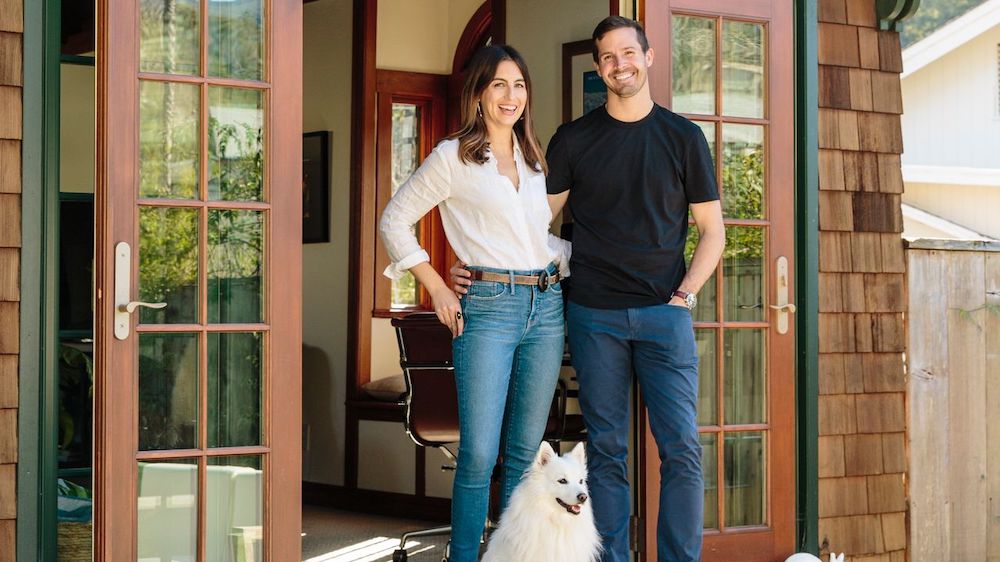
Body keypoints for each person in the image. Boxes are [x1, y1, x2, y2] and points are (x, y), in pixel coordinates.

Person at [452, 16, 725, 562]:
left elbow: (713, 232)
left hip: (664, 314)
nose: (619, 64)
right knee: (606, 453)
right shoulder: (574, 139)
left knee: (682, 451)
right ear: (599, 68)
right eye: (608, 57)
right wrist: (470, 264)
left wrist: (685, 295)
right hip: (593, 314)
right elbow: (528, 226)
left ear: (647, 58)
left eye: (628, 53)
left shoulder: (684, 137)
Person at [379, 44, 569, 562]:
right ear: (479, 95)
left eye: (520, 85)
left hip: (546, 308)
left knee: (525, 454)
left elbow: (536, 239)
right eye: (500, 86)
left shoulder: (535, 161)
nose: (512, 96)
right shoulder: (453, 157)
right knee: (481, 454)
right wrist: (437, 286)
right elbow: (393, 220)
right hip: (487, 307)